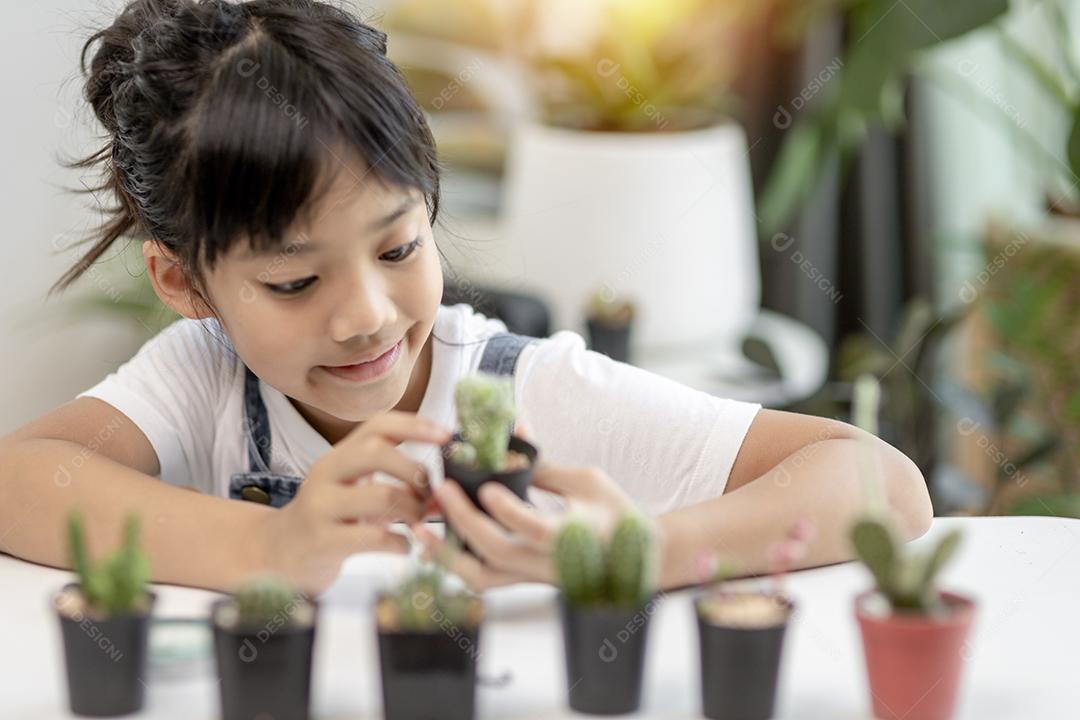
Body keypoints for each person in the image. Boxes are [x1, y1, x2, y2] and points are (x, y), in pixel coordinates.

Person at [0, 0, 932, 597]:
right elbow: (20, 479)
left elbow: (881, 484)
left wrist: (638, 550)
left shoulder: (526, 389)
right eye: (295, 281)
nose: (367, 314)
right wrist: (270, 549)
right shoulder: (200, 380)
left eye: (398, 247)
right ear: (183, 282)